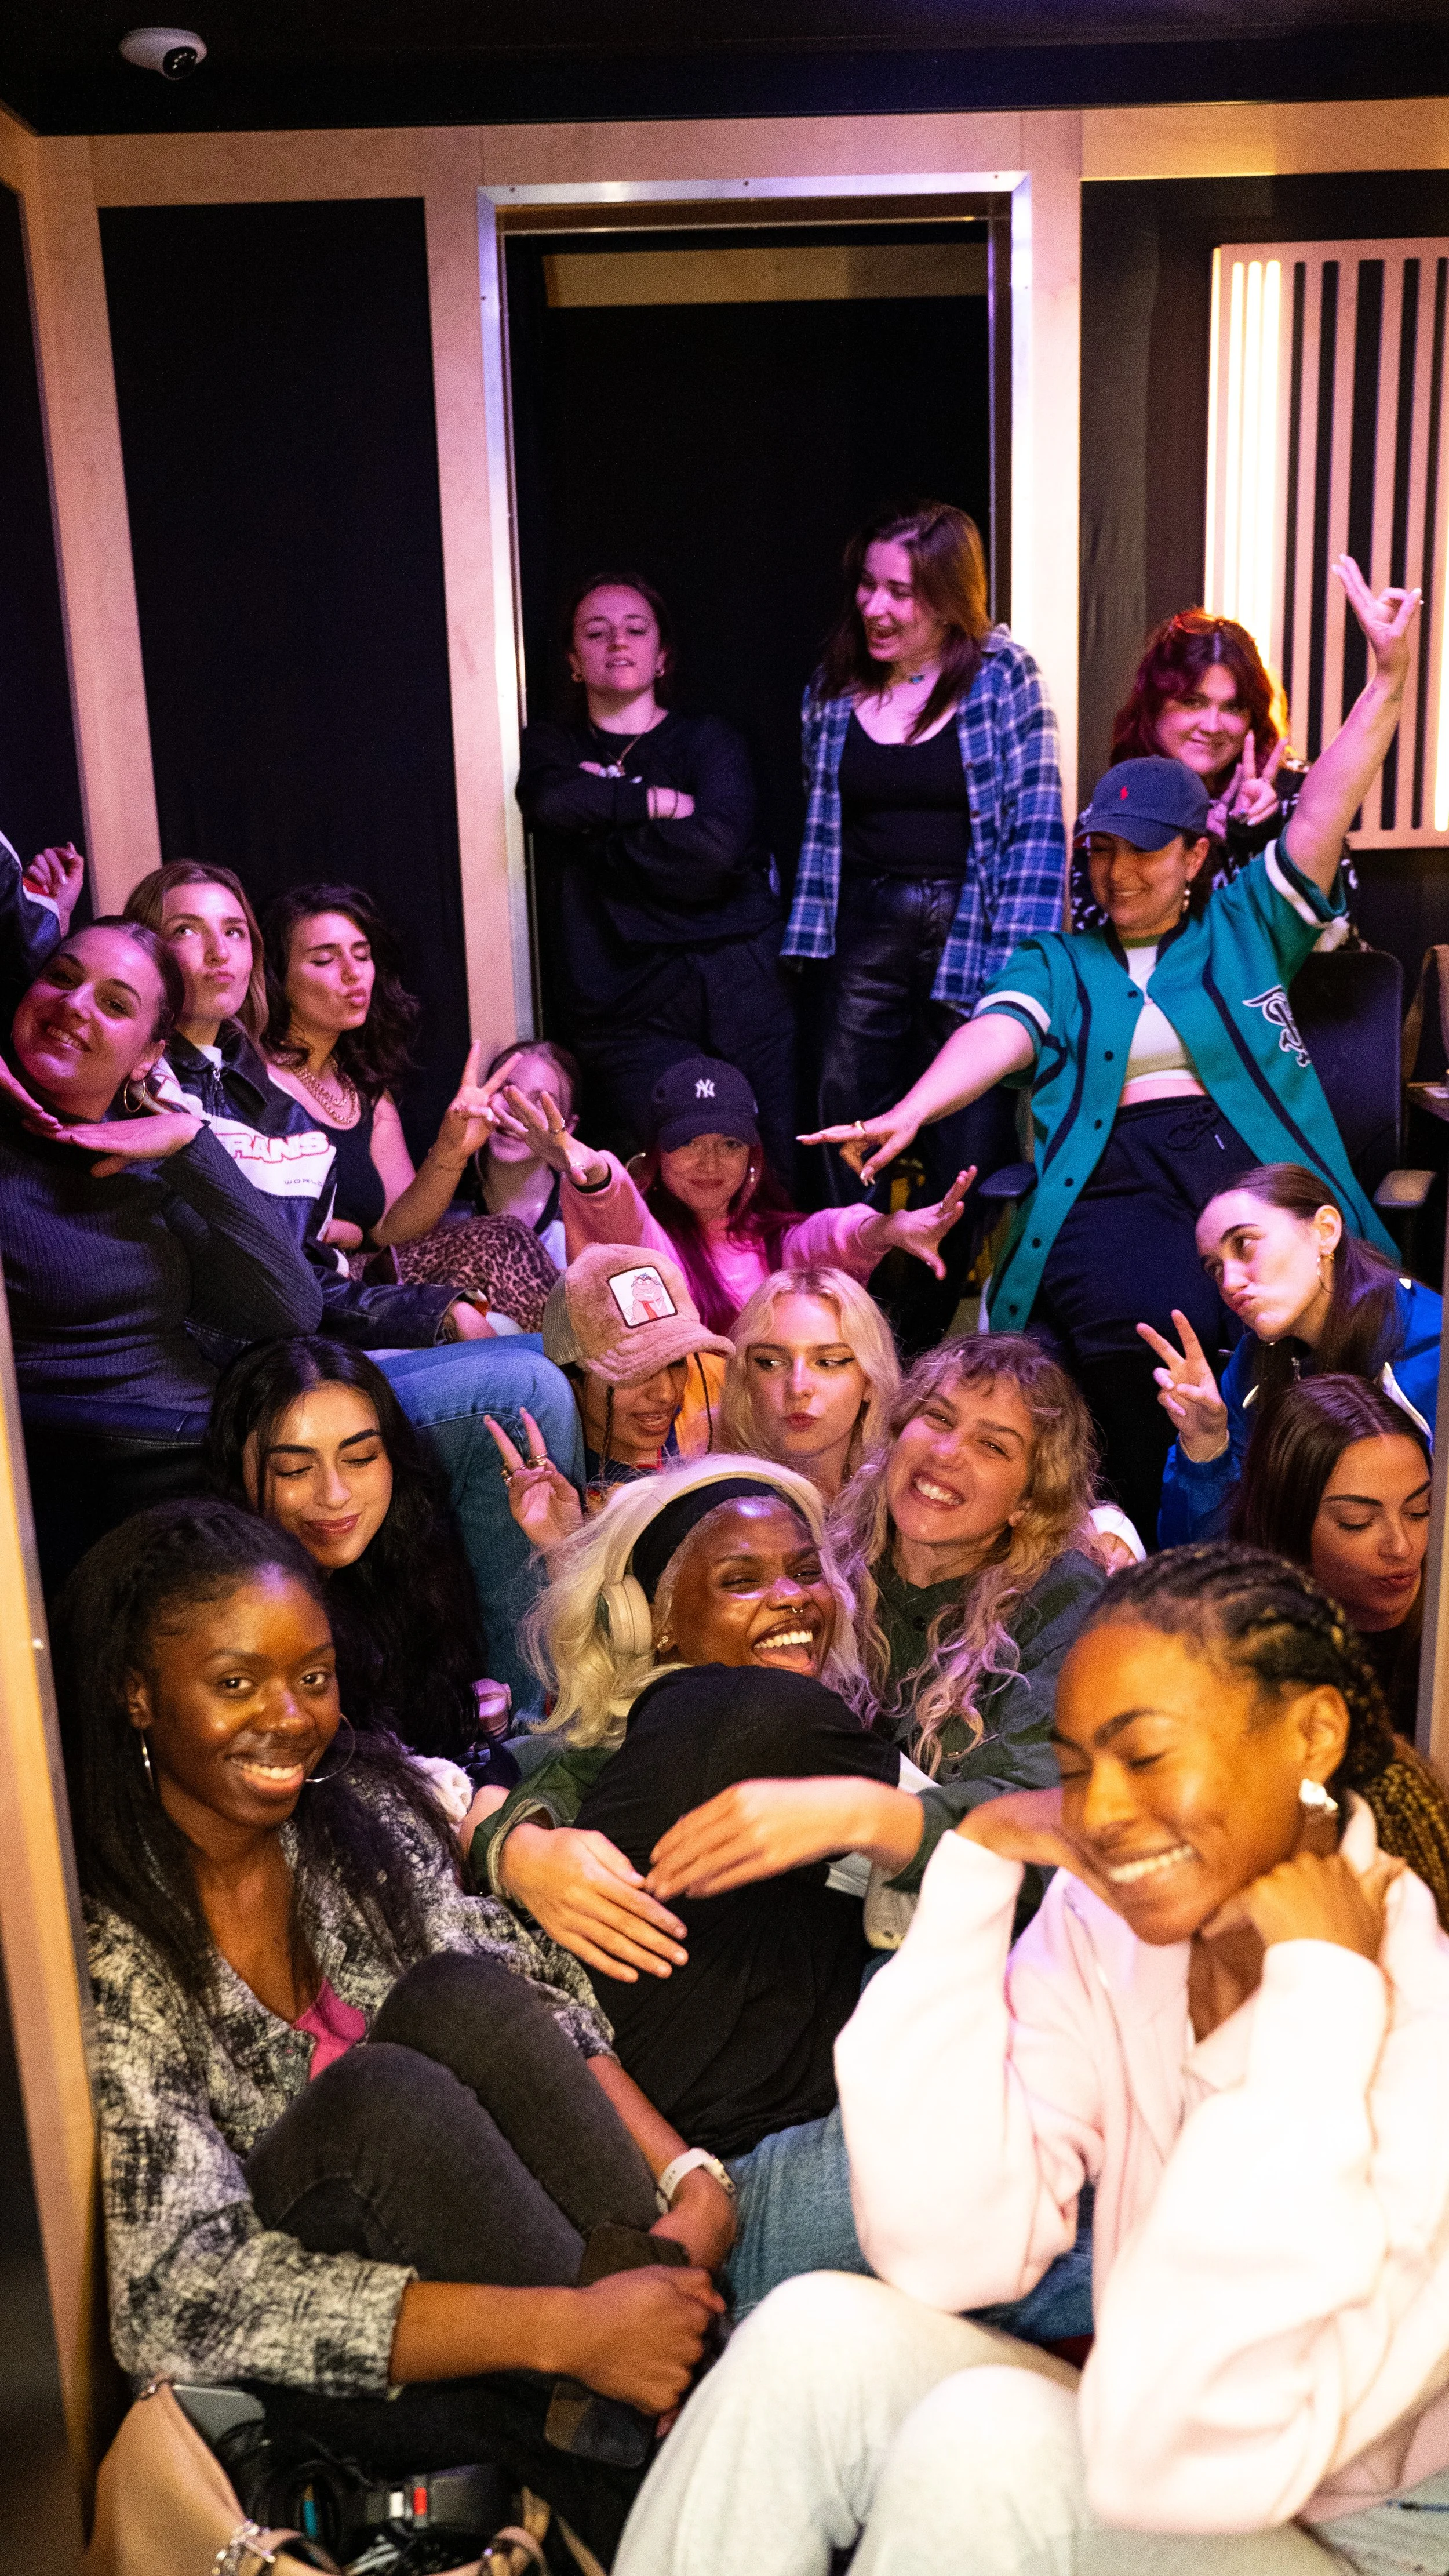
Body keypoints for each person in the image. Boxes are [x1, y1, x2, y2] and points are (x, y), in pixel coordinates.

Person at [615, 1542, 1449, 2576]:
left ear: (1313, 1734)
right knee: (810, 2333)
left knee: (991, 2440)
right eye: (1072, 1768)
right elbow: (947, 2247)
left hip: (1383, 2544)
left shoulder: (1423, 2022)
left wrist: (1316, 2010)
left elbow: (1188, 2448)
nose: (1097, 1812)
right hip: (1175, 2474)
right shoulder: (1115, 1924)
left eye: (1144, 1756)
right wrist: (973, 1868)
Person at [64, 1500, 732, 2564]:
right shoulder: (112, 1947)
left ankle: (671, 2427)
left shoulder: (357, 1810)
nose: (289, 1716)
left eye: (314, 1677)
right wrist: (575, 2329)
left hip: (538, 2331)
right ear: (138, 1694)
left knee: (455, 1990)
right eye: (236, 1682)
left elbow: (528, 1993)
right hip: (339, 2365)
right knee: (384, 2099)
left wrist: (692, 2182)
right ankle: (697, 2468)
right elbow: (182, 2298)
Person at [810, 558, 1420, 1539]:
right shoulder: (1058, 958)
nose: (1121, 867)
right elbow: (997, 1030)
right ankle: (1155, 1536)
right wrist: (915, 1105)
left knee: (1314, 1320)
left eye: (1147, 847)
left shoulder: (1248, 922)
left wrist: (1389, 684)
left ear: (1193, 856)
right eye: (1104, 846)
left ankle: (1291, 1531)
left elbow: (1322, 807)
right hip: (1113, 1176)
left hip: (1247, 1161)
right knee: (1149, 1327)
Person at [784, 500, 1066, 1338]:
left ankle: (934, 1313)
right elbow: (820, 827)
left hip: (971, 927)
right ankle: (853, 1301)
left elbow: (1038, 824)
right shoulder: (834, 688)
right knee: (841, 1116)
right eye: (868, 585)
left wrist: (1019, 970)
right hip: (865, 926)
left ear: (948, 596)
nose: (876, 606)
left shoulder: (1003, 674)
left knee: (968, 1135)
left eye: (900, 591)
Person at [0, 915, 323, 1583]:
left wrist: (188, 1145)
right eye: (61, 978)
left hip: (225, 1422)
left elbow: (288, 1307)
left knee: (521, 1379)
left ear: (148, 1055)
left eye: (114, 1003)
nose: (73, 1005)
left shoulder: (143, 1153)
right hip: (127, 1457)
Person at [516, 574, 795, 1175]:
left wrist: (605, 832)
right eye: (596, 632)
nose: (617, 642)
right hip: (625, 1000)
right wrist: (657, 803)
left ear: (662, 654)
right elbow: (552, 805)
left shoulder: (709, 741)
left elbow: (714, 852)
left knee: (769, 1170)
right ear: (571, 659)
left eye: (635, 629)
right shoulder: (552, 746)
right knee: (663, 1174)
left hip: (738, 983)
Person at [205, 1337, 519, 1776]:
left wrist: (557, 1540)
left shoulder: (404, 1563)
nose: (335, 1495)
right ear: (238, 1473)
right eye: (294, 1469)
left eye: (359, 1458)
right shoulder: (237, 1614)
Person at [497, 1052, 970, 1336]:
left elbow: (824, 1236)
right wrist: (589, 1166)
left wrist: (887, 1227)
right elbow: (628, 1225)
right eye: (689, 1143)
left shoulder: (772, 1241)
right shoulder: (641, 1234)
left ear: (753, 1156)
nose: (711, 1163)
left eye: (729, 1144)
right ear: (658, 1152)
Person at [1154, 1162, 1440, 1546]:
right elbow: (1203, 1560)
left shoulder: (1431, 1354)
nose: (1230, 1282)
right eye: (1215, 1268)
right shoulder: (1253, 1365)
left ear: (1325, 1231)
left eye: (1245, 1244)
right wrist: (1207, 1445)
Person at [490, 1244, 735, 1539]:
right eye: (637, 1369)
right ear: (570, 1376)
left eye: (676, 1362)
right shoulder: (540, 1490)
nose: (667, 1394)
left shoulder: (708, 1432)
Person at [1235, 1375, 1432, 1739]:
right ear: (1289, 1522)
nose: (1402, 1547)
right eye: (1357, 1522)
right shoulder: (1244, 1662)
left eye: (1419, 1511)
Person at [718, 1265, 901, 1499]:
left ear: (870, 1380)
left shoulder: (900, 1502)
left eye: (828, 1362)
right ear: (744, 1378)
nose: (797, 1387)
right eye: (771, 1362)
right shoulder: (722, 1504)